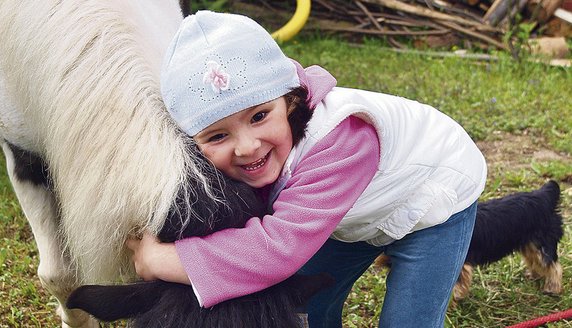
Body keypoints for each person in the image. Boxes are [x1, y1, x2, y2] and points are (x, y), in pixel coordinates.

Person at [126, 10, 487, 328]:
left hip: (434, 198)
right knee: (307, 303)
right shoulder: (254, 151)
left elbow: (278, 249)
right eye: (218, 135)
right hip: (356, 209)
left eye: (259, 116)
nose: (247, 146)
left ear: (291, 99)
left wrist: (161, 259)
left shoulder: (341, 141)